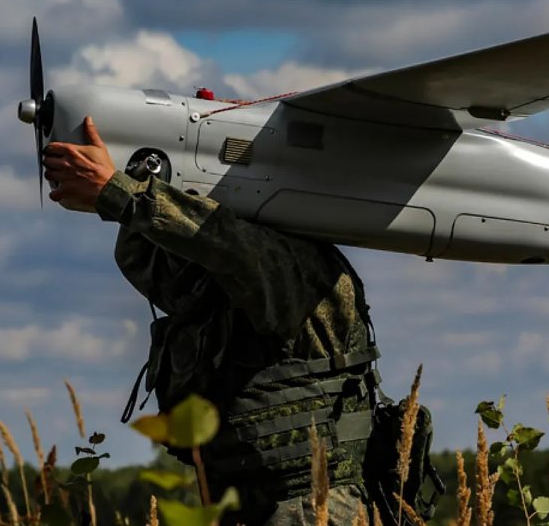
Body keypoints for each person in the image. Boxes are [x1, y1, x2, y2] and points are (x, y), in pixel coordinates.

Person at [42, 116, 383, 525]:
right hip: (244, 505)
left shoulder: (300, 268)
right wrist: (124, 188)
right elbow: (160, 265)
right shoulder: (224, 289)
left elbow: (228, 246)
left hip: (314, 507)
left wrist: (122, 194)